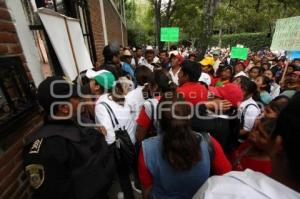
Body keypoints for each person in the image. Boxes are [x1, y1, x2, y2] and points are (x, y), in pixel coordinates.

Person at [193, 92, 300, 199]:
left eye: (261, 134)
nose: (261, 112)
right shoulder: (248, 144)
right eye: (255, 129)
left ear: (276, 143)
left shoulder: (218, 190)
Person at [24, 76, 115, 199]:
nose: (83, 99)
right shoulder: (45, 149)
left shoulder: (80, 120)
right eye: (77, 98)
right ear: (63, 108)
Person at [139, 93, 211, 199]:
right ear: (189, 116)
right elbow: (224, 176)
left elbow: (146, 191)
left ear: (159, 120)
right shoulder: (208, 142)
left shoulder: (147, 150)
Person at [93, 71, 136, 199]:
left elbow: (110, 137)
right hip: (130, 140)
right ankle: (132, 187)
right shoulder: (120, 96)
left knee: (122, 174)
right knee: (128, 170)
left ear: (97, 86)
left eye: (92, 81)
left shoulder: (101, 105)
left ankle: (128, 195)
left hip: (120, 147)